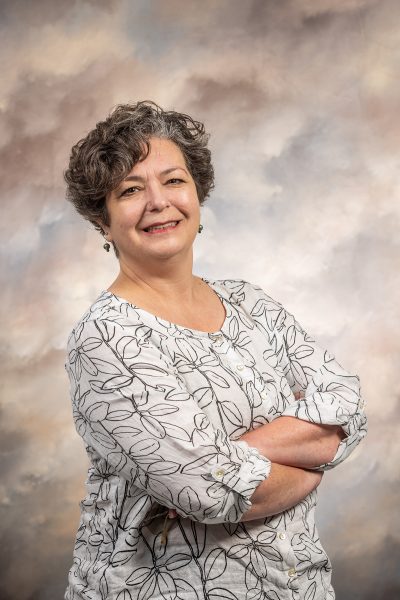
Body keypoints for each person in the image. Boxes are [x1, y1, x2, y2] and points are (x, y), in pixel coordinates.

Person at [64, 101, 367, 600]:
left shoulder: (250, 302)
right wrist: (312, 466)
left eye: (174, 181)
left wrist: (229, 457)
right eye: (131, 190)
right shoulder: (107, 339)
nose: (158, 202)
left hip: (301, 586)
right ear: (103, 219)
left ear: (197, 194)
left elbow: (347, 408)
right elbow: (209, 493)